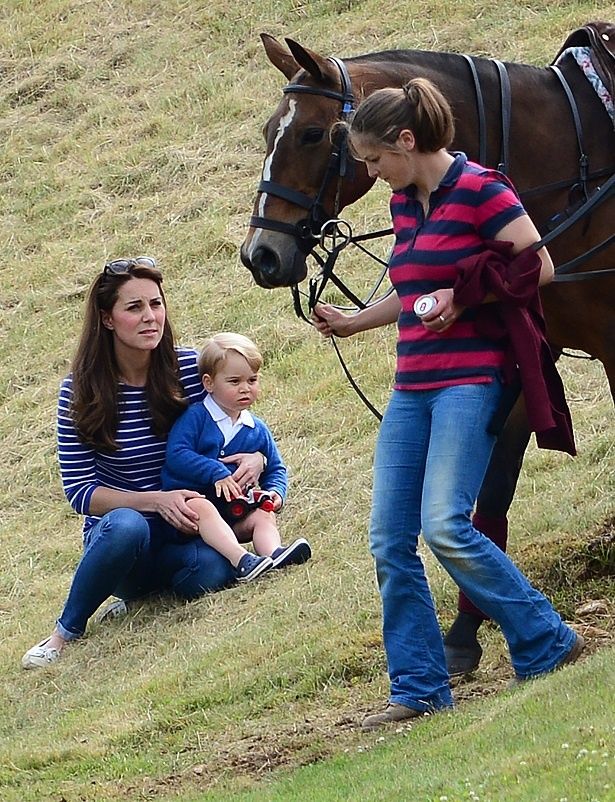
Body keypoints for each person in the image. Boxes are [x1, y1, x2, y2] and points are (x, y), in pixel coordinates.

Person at [312, 78, 583, 730]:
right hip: (412, 384)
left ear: (407, 141)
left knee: (443, 525)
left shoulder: (482, 189)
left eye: (376, 161)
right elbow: (414, 288)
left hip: (471, 380)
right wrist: (355, 321)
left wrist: (463, 300)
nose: (372, 175)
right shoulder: (408, 203)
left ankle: (544, 638)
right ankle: (418, 687)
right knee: (387, 539)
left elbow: (536, 267)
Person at [22, 257, 266, 669]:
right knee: (126, 525)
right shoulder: (79, 392)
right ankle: (64, 632)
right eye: (134, 307)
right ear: (108, 319)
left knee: (212, 573)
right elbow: (81, 493)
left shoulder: (191, 370)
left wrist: (257, 458)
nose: (150, 317)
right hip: (123, 541)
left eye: (156, 304)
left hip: (187, 532)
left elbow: (239, 424)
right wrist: (155, 500)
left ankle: (141, 598)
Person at [161, 332, 311, 582]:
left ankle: (273, 553)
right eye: (234, 381)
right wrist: (215, 472)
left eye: (252, 380)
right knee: (203, 506)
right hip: (190, 514)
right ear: (209, 383)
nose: (245, 388)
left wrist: (275, 493)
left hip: (233, 514)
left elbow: (275, 468)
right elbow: (176, 454)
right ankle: (242, 560)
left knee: (264, 514)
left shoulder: (256, 428)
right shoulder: (196, 417)